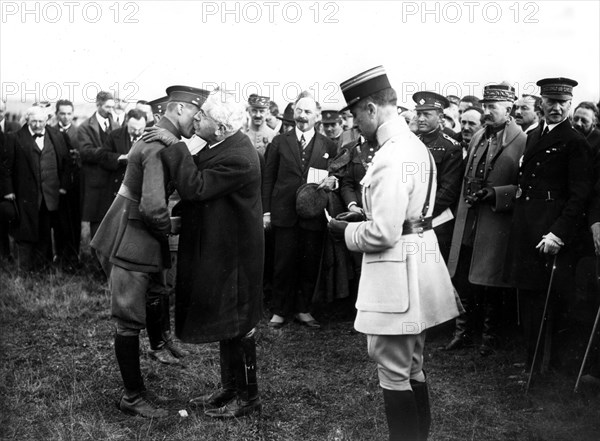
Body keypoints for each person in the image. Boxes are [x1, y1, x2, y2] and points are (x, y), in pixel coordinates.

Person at [328, 65, 459, 441]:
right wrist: (364, 214)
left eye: (354, 114)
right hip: (416, 266)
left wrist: (346, 230)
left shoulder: (390, 156)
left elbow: (384, 233)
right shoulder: (413, 146)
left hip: (395, 276)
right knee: (411, 366)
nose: (354, 124)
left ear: (370, 108)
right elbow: (405, 216)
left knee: (393, 372)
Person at [91, 85, 207, 418]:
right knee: (128, 318)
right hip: (133, 233)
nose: (197, 123)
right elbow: (155, 208)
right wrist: (175, 226)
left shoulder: (161, 138)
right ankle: (133, 397)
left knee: (149, 296)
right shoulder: (158, 145)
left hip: (136, 229)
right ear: (180, 110)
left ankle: (148, 366)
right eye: (195, 116)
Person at [149, 87, 264, 418]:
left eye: (204, 117)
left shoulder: (240, 156)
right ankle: (231, 390)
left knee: (240, 325)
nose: (196, 118)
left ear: (224, 127)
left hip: (238, 257)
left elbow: (197, 187)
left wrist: (175, 145)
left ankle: (248, 399)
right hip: (228, 252)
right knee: (230, 323)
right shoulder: (224, 144)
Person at [506, 77, 591, 372]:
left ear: (569, 104)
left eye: (562, 103)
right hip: (528, 228)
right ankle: (531, 361)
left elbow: (579, 196)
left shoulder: (575, 141)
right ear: (541, 103)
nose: (556, 108)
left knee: (545, 304)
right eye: (551, 102)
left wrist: (558, 233)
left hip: (550, 233)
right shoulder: (534, 136)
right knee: (529, 299)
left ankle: (541, 369)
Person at [446, 83, 526, 355]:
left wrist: (495, 194)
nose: (487, 112)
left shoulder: (523, 139)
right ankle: (462, 332)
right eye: (486, 106)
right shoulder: (480, 134)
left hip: (495, 220)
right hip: (469, 217)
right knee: (463, 275)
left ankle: (489, 338)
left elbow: (525, 188)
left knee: (490, 281)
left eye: (493, 107)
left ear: (509, 109)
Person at [262, 92, 338, 329]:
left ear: (317, 116)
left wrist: (333, 182)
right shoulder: (279, 142)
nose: (302, 116)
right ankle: (280, 310)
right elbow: (268, 178)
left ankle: (304, 309)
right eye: (299, 111)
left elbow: (336, 176)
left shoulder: (329, 146)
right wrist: (266, 212)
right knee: (282, 262)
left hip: (312, 214)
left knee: (309, 262)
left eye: (307, 112)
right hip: (284, 213)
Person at [1, 106, 75, 272]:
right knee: (25, 233)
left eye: (41, 121)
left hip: (50, 196)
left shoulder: (57, 136)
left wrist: (63, 187)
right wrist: (8, 191)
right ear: (27, 120)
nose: (37, 125)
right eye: (33, 121)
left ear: (47, 120)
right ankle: (24, 270)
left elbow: (66, 163)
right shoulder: (14, 138)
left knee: (45, 231)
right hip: (25, 196)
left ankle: (43, 268)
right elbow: (5, 168)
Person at [413, 91, 464, 261]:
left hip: (434, 222)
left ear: (440, 117)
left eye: (426, 114)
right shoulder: (410, 142)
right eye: (418, 113)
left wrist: (422, 216)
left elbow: (448, 190)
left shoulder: (450, 147)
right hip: (408, 219)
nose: (420, 119)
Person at [78, 91, 120, 240]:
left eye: (112, 107)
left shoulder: (116, 126)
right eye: (108, 107)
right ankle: (96, 262)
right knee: (97, 223)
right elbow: (85, 152)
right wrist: (110, 156)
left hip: (112, 181)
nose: (111, 110)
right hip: (95, 183)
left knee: (113, 222)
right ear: (98, 105)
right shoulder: (84, 127)